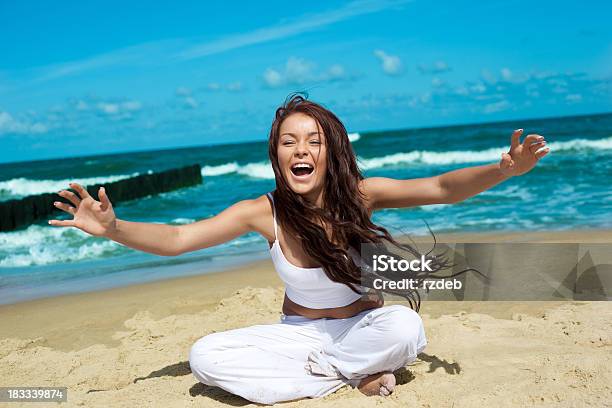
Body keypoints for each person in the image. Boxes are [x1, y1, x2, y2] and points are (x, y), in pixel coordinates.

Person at [49, 94, 549, 404]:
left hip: (363, 326)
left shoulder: (360, 194)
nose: (301, 151)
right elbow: (180, 239)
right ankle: (352, 378)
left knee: (406, 325)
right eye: (289, 142)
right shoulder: (261, 212)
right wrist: (114, 228)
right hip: (300, 338)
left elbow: (440, 187)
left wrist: (504, 170)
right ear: (277, 155)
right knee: (205, 357)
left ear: (331, 150)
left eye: (313, 140)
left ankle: (336, 374)